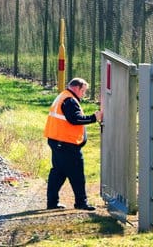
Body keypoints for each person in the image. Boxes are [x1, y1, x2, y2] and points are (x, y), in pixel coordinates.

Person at [44, 77, 103, 211]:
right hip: (66, 144)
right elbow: (75, 119)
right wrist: (94, 118)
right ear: (77, 88)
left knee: (58, 173)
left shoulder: (63, 96)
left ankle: (52, 202)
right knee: (77, 174)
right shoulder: (69, 100)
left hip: (57, 140)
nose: (84, 94)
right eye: (83, 91)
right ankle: (81, 203)